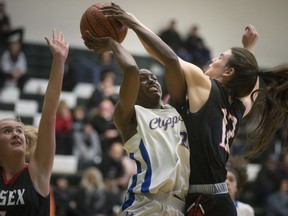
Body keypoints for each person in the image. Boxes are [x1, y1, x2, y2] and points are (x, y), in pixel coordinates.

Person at [100, 3, 288, 215]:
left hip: (201, 198)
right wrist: (248, 51)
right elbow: (248, 87)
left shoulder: (207, 85)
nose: (214, 59)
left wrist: (132, 22)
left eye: (220, 57)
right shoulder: (237, 107)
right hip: (221, 200)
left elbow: (168, 58)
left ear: (228, 72)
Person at [82, 26, 190, 215]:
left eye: (154, 78)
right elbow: (131, 69)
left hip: (179, 206)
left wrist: (134, 24)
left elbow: (172, 61)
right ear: (132, 90)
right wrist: (111, 42)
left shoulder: (175, 109)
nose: (152, 81)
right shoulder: (129, 116)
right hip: (145, 204)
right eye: (144, 79)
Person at [0, 29, 69, 215]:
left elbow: (49, 114)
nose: (16, 133)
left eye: (19, 130)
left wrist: (59, 61)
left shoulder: (37, 172)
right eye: (7, 131)